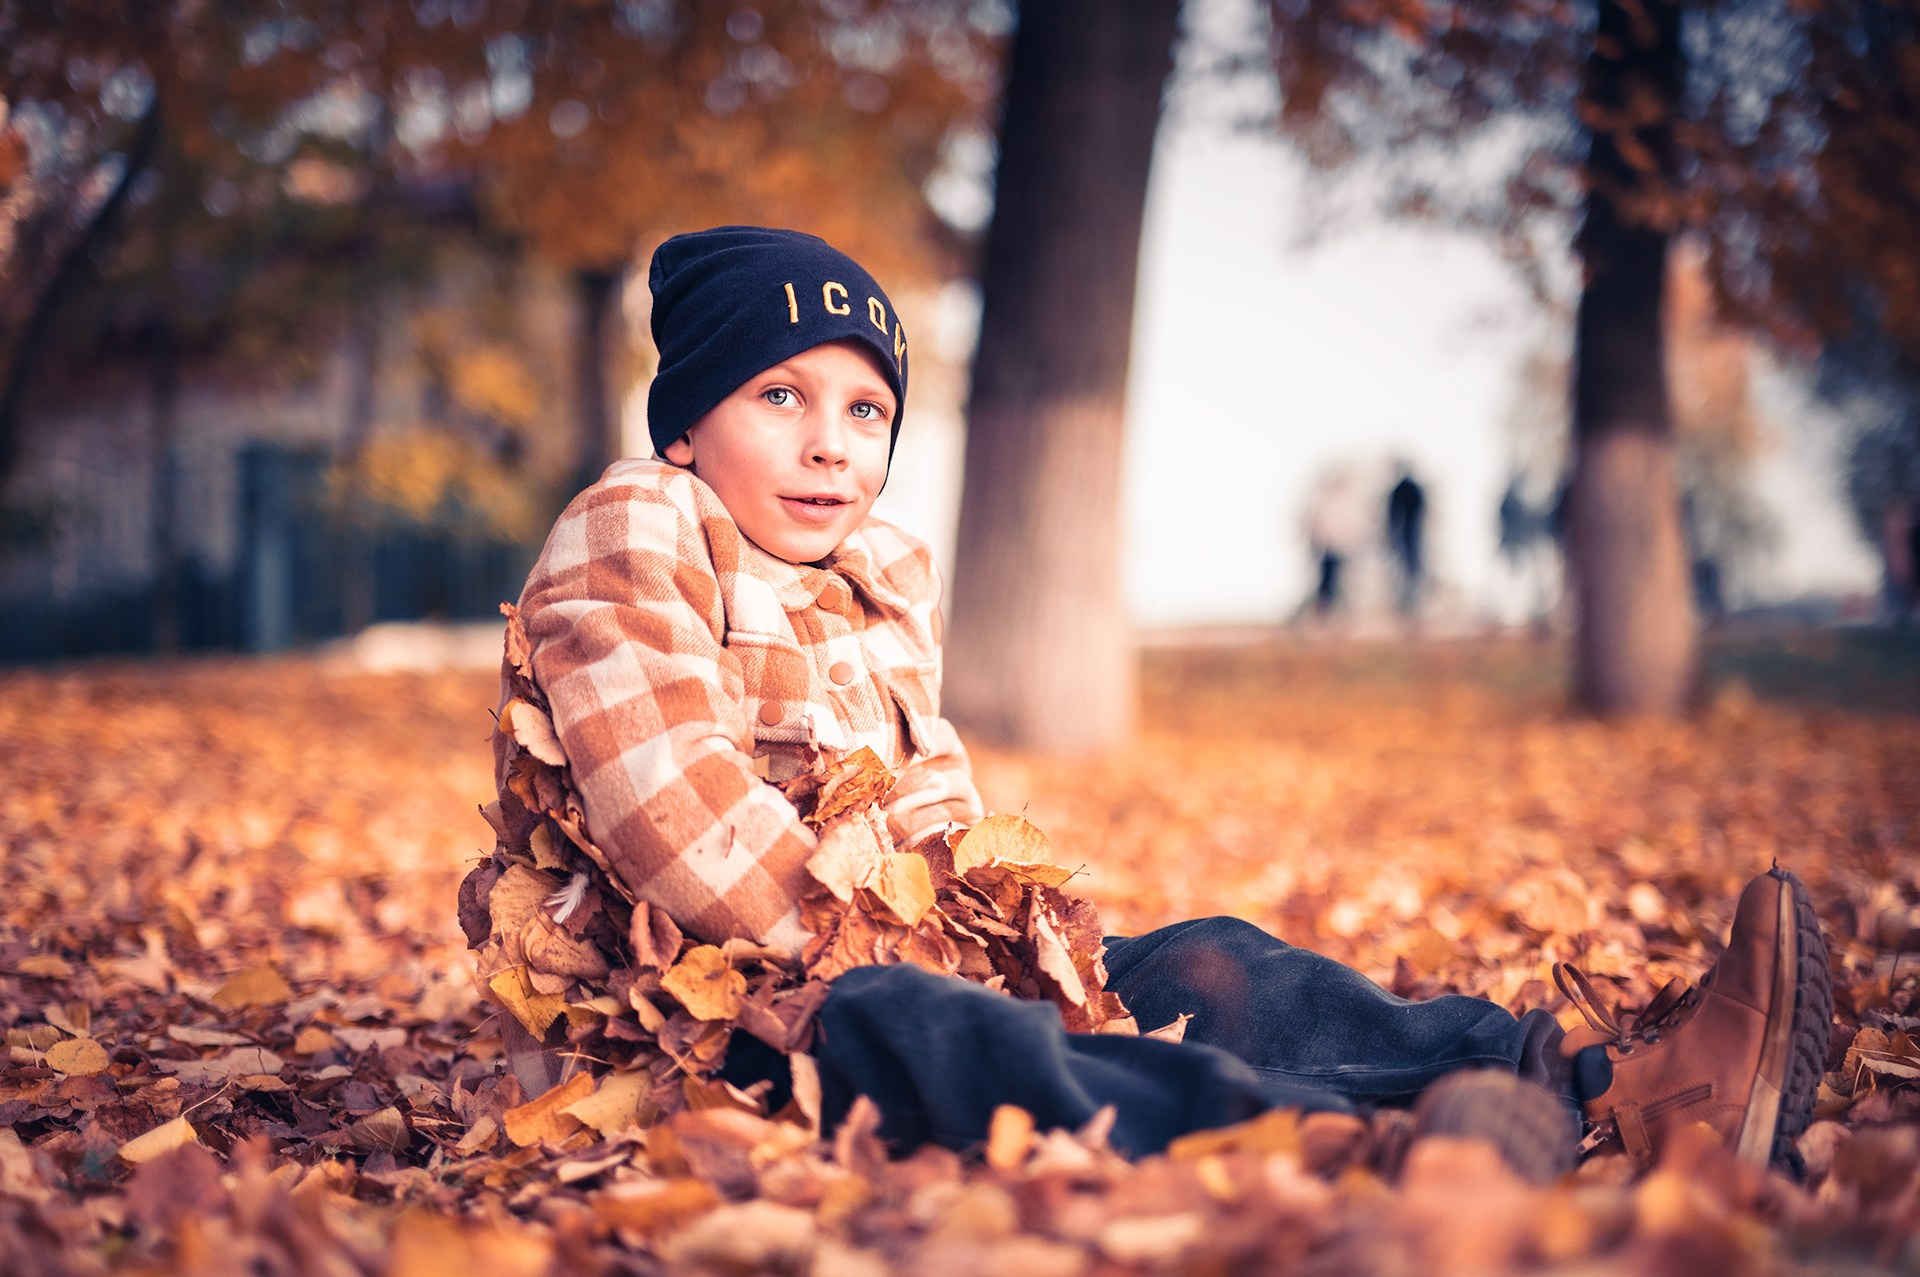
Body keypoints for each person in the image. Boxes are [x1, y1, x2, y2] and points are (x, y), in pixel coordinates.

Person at [481, 225, 1832, 1178]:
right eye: (781, 397)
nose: (832, 441)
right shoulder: (640, 526)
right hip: (730, 1021)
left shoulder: (878, 576)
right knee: (922, 1024)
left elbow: (934, 796)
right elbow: (671, 807)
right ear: (684, 425)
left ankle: (1606, 1086)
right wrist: (882, 958)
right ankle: (1361, 1156)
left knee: (1206, 959)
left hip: (901, 966)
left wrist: (1026, 951)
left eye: (866, 409)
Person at [1386, 465, 1427, 616]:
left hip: (1409, 535)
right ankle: (1405, 602)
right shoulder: (1407, 488)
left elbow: (1393, 514)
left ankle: (1411, 602)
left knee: (1411, 566)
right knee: (1406, 566)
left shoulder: (1404, 489)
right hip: (1406, 535)